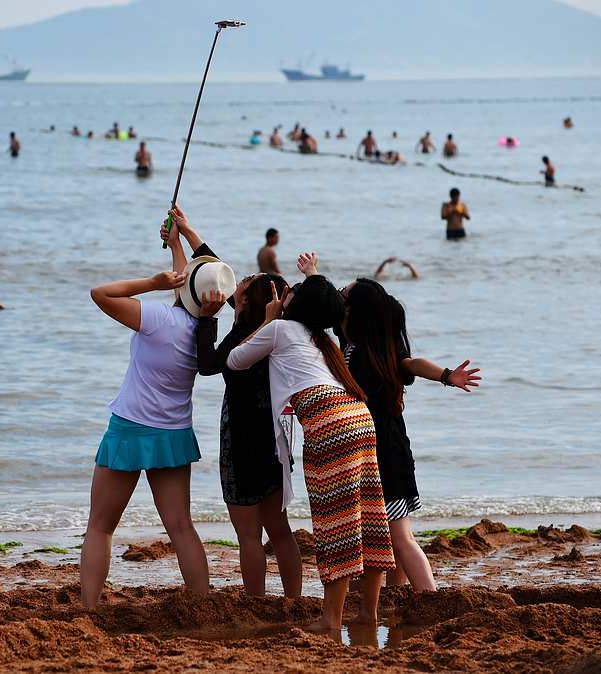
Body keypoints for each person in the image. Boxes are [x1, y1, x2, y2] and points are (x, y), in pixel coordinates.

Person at [227, 252, 395, 634]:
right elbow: (323, 301)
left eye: (289, 295)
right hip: (357, 418)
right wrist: (312, 274)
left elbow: (235, 360)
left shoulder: (281, 330)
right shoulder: (322, 340)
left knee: (335, 523)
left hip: (327, 423)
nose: (283, 296)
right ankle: (367, 614)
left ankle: (330, 620)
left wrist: (265, 318)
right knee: (367, 517)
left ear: (295, 305)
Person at [80, 205, 235, 609]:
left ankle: (90, 608)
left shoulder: (157, 318)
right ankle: (202, 604)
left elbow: (101, 294)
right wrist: (177, 242)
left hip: (130, 430)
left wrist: (152, 281)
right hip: (172, 435)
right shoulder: (201, 329)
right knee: (182, 528)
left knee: (99, 527)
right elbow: (186, 293)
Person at [340, 279, 480, 592]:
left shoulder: (379, 353)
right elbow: (322, 305)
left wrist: (447, 376)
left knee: (401, 537)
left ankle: (429, 596)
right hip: (375, 450)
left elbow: (413, 364)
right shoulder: (352, 342)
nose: (340, 296)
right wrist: (312, 274)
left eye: (344, 294)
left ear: (355, 311)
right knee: (396, 536)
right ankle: (397, 593)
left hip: (386, 454)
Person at [194, 268, 303, 599]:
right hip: (274, 439)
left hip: (241, 442)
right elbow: (219, 269)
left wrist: (204, 319)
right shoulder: (276, 331)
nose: (238, 277)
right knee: (281, 531)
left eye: (245, 280)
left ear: (243, 299)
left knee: (248, 536)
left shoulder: (242, 333)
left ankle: (256, 601)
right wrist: (186, 232)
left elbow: (208, 364)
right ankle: (293, 601)